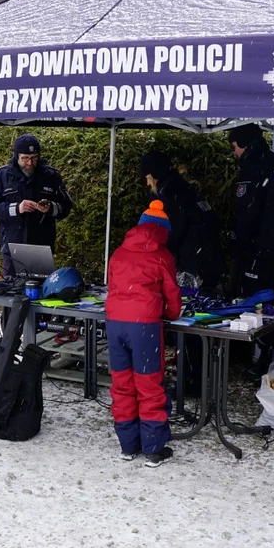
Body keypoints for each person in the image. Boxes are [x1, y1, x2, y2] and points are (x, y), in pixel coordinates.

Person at [105, 200, 182, 467]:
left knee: (122, 385)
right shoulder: (162, 256)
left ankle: (128, 445)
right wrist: (173, 314)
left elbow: (112, 285)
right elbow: (172, 295)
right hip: (144, 326)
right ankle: (153, 448)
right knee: (149, 386)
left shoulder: (118, 253)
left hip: (115, 324)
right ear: (163, 231)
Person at [228, 123, 274, 376]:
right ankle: (271, 361)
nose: (234, 153)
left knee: (258, 310)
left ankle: (270, 362)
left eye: (234, 147)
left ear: (244, 145)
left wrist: (237, 244)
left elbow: (247, 215)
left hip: (261, 253)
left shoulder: (253, 168)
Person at [0, 134, 73, 276]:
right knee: (11, 293)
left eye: (34, 158)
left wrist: (51, 208)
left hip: (41, 247)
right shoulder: (2, 176)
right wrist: (17, 208)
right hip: (12, 247)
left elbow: (66, 206)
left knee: (39, 293)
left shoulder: (51, 176)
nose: (30, 163)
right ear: (17, 156)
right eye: (25, 158)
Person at [138, 150, 223, 292]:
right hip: (208, 260)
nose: (147, 183)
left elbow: (172, 233)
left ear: (155, 174)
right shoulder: (185, 188)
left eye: (148, 177)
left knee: (185, 306)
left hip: (192, 264)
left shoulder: (169, 195)